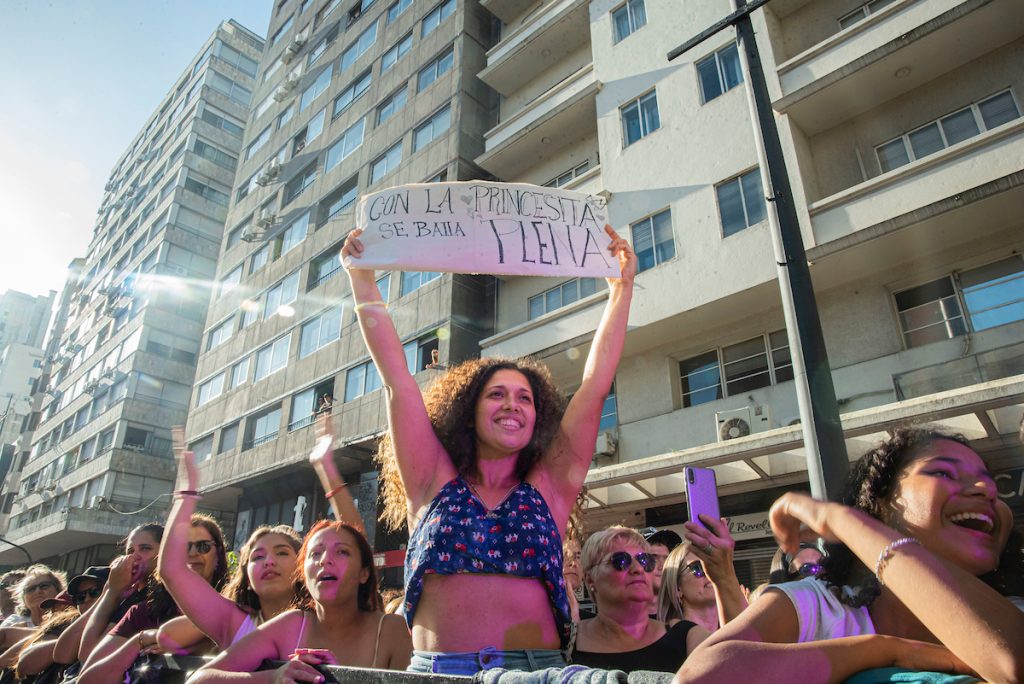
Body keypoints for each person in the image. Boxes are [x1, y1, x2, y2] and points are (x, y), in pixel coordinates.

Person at [342, 223, 635, 674]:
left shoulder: (550, 488)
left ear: (538, 417)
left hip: (535, 671)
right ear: (468, 412)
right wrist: (361, 278)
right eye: (496, 394)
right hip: (437, 671)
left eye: (525, 398)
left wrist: (621, 292)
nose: (512, 405)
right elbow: (397, 380)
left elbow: (595, 386)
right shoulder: (431, 480)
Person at [678, 427, 1024, 684]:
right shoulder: (818, 607)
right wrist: (887, 650)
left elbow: (1012, 663)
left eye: (989, 482)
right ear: (882, 506)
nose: (986, 490)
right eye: (943, 473)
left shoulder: (1015, 612)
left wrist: (837, 519)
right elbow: (702, 677)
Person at [154, 420, 356, 654]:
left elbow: (354, 541)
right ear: (247, 577)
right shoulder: (235, 623)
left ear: (302, 567)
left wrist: (325, 467)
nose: (269, 561)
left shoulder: (326, 618)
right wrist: (186, 493)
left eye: (282, 553)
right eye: (257, 557)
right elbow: (171, 570)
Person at [188, 519, 413, 681]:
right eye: (315, 553)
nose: (325, 560)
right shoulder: (291, 624)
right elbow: (199, 679)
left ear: (364, 573)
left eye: (342, 552)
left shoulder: (391, 630)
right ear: (303, 575)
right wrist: (273, 677)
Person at [78, 515, 228, 684]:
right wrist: (141, 640)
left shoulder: (238, 609)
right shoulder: (142, 612)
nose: (193, 553)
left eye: (203, 546)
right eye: (184, 547)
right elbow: (89, 676)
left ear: (218, 555)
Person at [572, 526, 708, 672]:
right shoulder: (568, 639)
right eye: (621, 561)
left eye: (644, 560)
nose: (638, 568)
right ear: (590, 579)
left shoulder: (687, 636)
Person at [73, 523, 163, 664]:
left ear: (165, 551)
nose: (134, 557)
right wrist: (109, 590)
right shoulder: (128, 595)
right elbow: (62, 653)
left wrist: (112, 592)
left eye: (145, 548)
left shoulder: (152, 598)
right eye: (130, 551)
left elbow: (87, 654)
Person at [6, 571, 104, 679]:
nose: (87, 599)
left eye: (95, 592)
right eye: (80, 596)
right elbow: (25, 663)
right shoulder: (66, 624)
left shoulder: (71, 619)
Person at [655, 535, 747, 633]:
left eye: (714, 565)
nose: (710, 573)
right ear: (677, 589)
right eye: (698, 567)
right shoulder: (670, 638)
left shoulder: (740, 631)